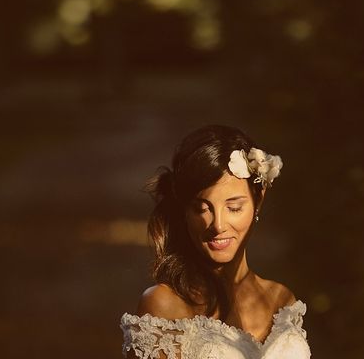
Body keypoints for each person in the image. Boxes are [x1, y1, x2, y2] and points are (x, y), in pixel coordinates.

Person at [120, 124, 311, 358]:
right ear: (184, 212)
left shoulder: (282, 302)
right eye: (202, 208)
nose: (218, 225)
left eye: (234, 207)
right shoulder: (163, 307)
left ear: (257, 201)